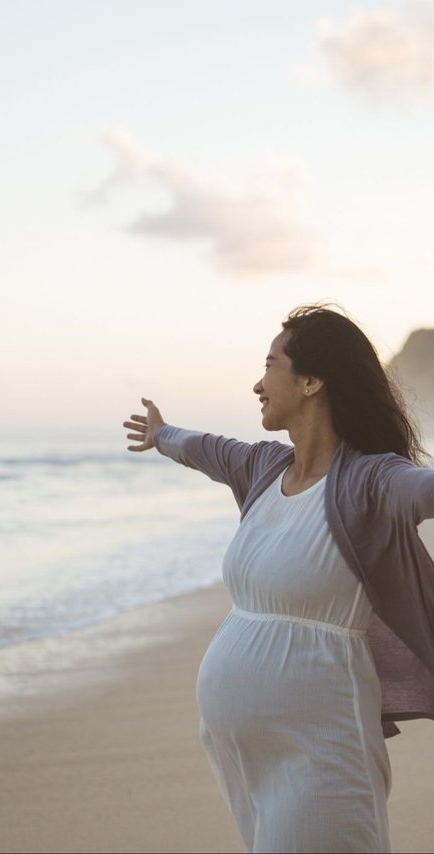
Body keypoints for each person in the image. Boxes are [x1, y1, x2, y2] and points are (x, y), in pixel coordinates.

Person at [122, 304, 434, 854]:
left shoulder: (371, 481)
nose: (257, 384)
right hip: (242, 751)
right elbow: (203, 448)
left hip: (321, 747)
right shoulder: (264, 469)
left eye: (270, 364)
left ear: (312, 380)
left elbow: (423, 489)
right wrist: (161, 432)